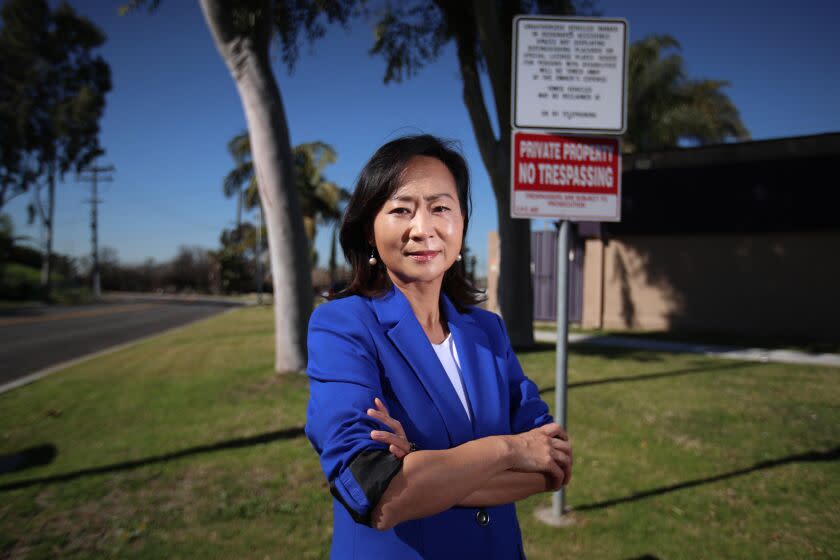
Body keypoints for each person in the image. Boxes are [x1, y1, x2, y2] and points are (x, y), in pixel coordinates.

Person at [305, 135, 572, 559]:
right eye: (401, 209)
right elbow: (376, 493)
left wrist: (419, 463)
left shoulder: (488, 331)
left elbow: (554, 465)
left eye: (441, 207)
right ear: (369, 230)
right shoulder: (343, 326)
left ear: (461, 223)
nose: (422, 228)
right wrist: (509, 449)